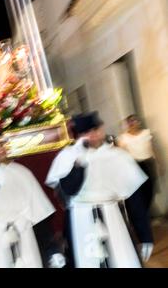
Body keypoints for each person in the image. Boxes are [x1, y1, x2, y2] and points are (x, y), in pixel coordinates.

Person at [46, 112, 152, 268]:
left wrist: (145, 236)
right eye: (86, 132)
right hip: (79, 218)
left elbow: (135, 200)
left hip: (113, 215)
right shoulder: (67, 156)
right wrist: (80, 162)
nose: (93, 135)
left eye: (96, 130)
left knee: (121, 260)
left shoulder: (117, 155)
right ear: (79, 136)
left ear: (101, 129)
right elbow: (68, 190)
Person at [0, 135, 65, 268]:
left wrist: (52, 250)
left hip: (23, 227)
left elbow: (39, 212)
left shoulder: (22, 172)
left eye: (1, 144)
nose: (0, 149)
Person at [118, 114, 162, 210]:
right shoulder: (124, 137)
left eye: (135, 121)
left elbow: (153, 149)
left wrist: (159, 163)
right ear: (127, 124)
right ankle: (142, 214)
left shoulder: (146, 133)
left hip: (148, 163)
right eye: (130, 121)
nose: (133, 123)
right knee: (139, 190)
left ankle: (146, 211)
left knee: (150, 188)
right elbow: (120, 153)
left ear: (139, 122)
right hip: (135, 165)